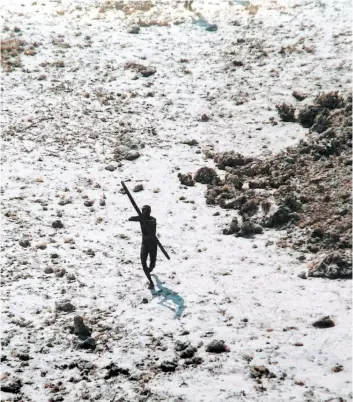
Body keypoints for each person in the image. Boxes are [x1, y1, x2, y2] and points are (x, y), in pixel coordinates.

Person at [128, 205, 157, 289]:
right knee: (143, 263)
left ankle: (149, 270)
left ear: (149, 212)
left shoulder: (153, 220)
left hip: (153, 244)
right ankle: (151, 282)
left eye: (146, 211)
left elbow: (151, 226)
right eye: (143, 211)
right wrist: (139, 218)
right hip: (144, 244)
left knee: (152, 264)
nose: (144, 213)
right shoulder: (141, 218)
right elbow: (131, 218)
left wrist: (143, 219)